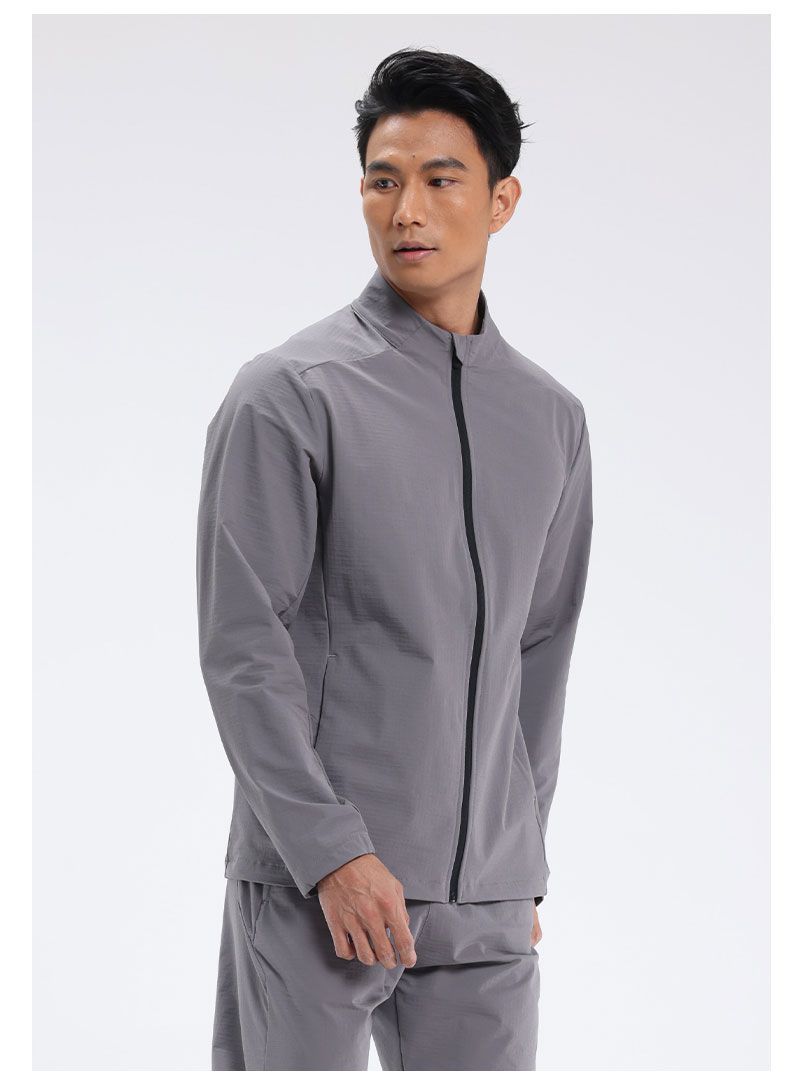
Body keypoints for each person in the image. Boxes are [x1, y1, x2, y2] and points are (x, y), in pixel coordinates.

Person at [196, 47, 593, 1072]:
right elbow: (243, 648)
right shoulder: (290, 394)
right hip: (319, 886)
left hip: (485, 906)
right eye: (382, 181)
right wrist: (328, 852)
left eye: (439, 180)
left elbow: (539, 651)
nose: (406, 210)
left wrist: (519, 859)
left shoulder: (550, 420)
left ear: (501, 201)